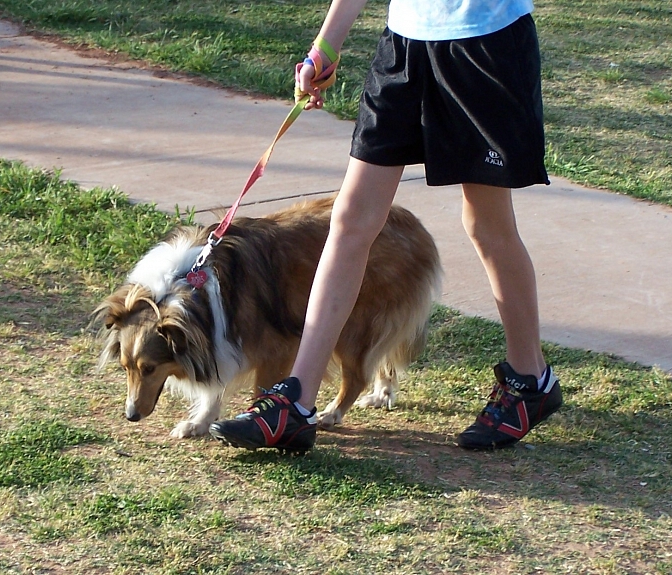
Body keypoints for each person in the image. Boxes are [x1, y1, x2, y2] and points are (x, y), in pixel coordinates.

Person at [209, 0, 562, 453]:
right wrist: (326, 45)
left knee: (486, 224)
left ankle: (530, 379)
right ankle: (295, 403)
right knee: (352, 218)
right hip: (406, 44)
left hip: (485, 40)